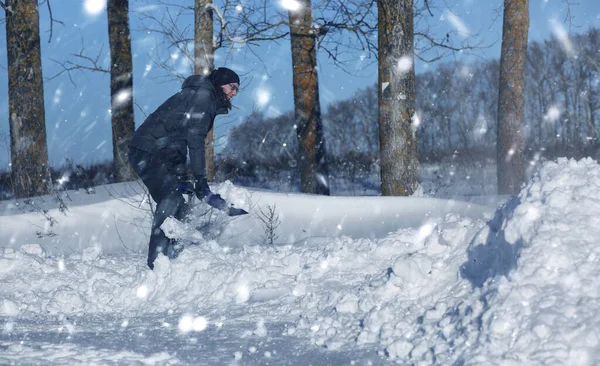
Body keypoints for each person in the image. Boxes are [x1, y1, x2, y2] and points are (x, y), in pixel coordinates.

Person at [128, 67, 240, 269]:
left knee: (178, 201)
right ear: (220, 83)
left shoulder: (201, 96)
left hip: (158, 153)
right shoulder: (203, 96)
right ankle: (157, 262)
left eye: (237, 90)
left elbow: (178, 137)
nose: (234, 93)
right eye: (232, 87)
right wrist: (200, 180)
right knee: (170, 198)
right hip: (146, 151)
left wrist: (182, 175)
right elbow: (195, 140)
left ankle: (169, 256)